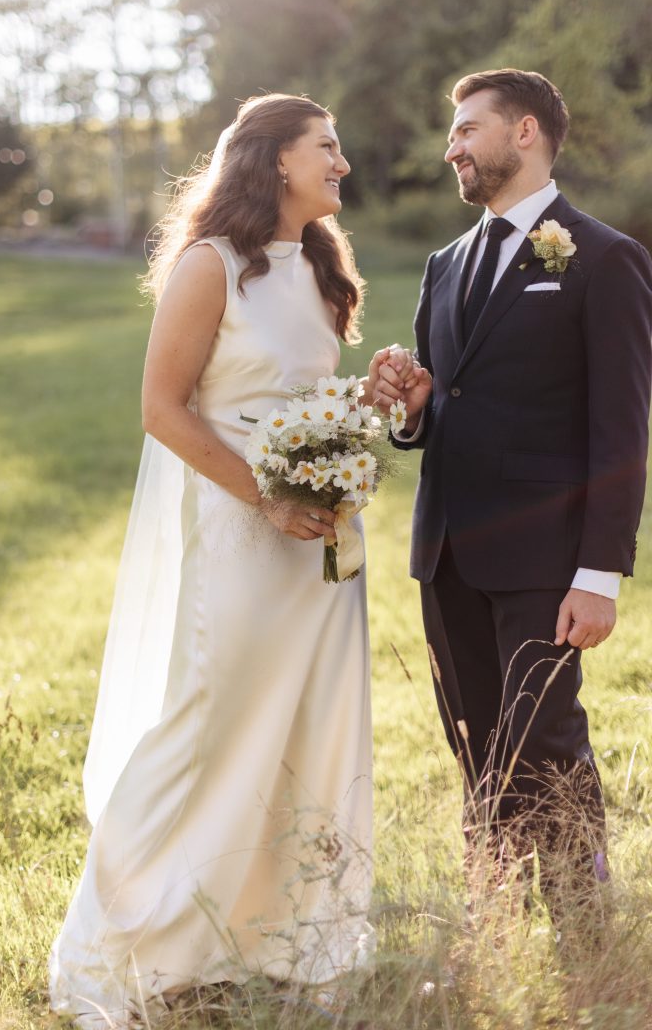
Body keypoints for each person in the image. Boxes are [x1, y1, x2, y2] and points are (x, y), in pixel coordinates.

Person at [49, 93, 398, 1028]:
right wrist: (270, 498)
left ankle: (283, 939)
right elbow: (165, 409)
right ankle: (121, 938)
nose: (343, 164)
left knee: (311, 728)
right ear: (277, 160)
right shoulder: (210, 267)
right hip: (244, 538)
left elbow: (303, 398)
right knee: (210, 724)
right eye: (328, 147)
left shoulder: (320, 266)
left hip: (322, 550)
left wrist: (375, 396)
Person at [375, 69, 652, 926]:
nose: (452, 146)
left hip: (546, 556)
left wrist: (599, 575)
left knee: (546, 743)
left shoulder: (604, 258)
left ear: (524, 132)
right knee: (475, 743)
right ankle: (498, 910)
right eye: (452, 133)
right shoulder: (444, 264)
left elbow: (623, 428)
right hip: (447, 548)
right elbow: (441, 401)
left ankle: (581, 922)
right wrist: (410, 414)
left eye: (467, 129)